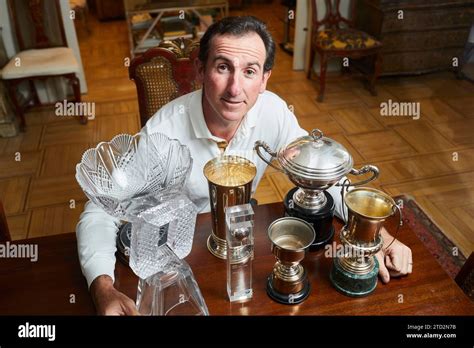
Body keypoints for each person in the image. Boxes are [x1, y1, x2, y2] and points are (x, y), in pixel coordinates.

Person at [76, 16, 412, 315]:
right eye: (222, 67)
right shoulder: (162, 131)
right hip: (185, 255)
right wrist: (101, 288)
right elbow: (100, 212)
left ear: (264, 78)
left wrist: (374, 233)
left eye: (250, 71)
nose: (236, 88)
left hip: (244, 245)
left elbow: (318, 174)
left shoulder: (274, 111)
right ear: (200, 70)